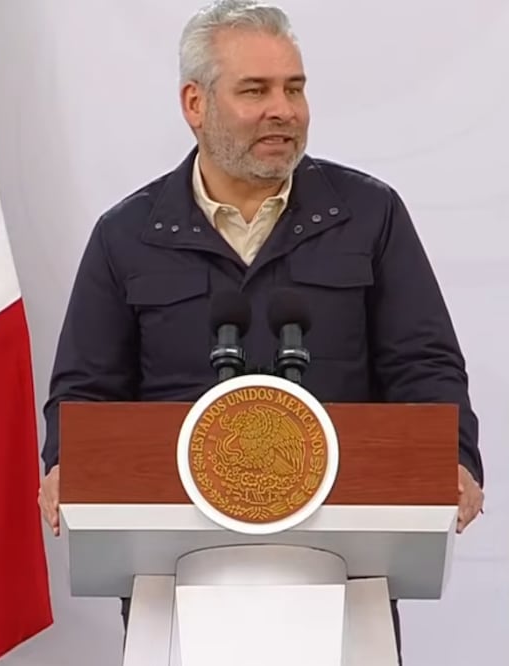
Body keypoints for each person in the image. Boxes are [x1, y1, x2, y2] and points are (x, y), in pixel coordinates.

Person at [36, 1, 484, 663]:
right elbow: (85, 386)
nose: (284, 109)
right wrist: (66, 463)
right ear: (195, 102)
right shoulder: (127, 235)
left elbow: (423, 360)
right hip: (174, 570)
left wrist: (453, 455)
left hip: (349, 566)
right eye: (256, 90)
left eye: (294, 88)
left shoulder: (368, 214)